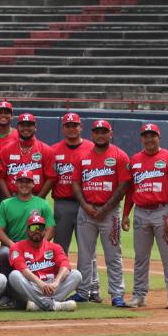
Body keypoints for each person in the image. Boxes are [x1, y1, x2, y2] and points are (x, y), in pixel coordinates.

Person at [122, 123, 168, 309]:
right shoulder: (135, 160)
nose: (149, 139)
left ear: (159, 137)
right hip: (141, 212)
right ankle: (139, 295)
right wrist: (126, 214)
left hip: (162, 212)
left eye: (152, 136)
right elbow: (131, 190)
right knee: (140, 257)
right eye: (146, 136)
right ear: (142, 138)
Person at [70, 120, 131, 307]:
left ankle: (117, 294)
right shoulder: (82, 156)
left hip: (110, 212)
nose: (100, 135)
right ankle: (83, 291)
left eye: (104, 131)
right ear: (92, 134)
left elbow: (123, 186)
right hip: (86, 210)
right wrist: (85, 205)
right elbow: (75, 183)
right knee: (84, 255)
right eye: (97, 131)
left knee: (113, 255)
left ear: (110, 133)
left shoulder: (119, 156)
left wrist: (104, 209)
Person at [51, 113, 101, 302]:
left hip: (85, 204)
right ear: (63, 128)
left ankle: (92, 289)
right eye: (68, 125)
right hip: (62, 203)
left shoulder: (91, 148)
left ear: (81, 127)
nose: (71, 128)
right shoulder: (54, 150)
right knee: (60, 248)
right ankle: (59, 286)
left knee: (87, 249)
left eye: (75, 125)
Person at [8, 215, 81, 312]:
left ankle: (38, 305)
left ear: (45, 231)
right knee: (14, 275)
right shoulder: (17, 246)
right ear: (27, 230)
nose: (37, 230)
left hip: (52, 288)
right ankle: (54, 305)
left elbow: (65, 265)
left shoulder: (55, 247)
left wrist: (56, 282)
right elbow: (21, 267)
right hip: (32, 287)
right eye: (33, 227)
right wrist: (41, 284)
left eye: (40, 228)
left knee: (76, 275)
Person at [0, 170, 55, 277]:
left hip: (36, 243)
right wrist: (12, 245)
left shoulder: (42, 203)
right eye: (21, 181)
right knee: (3, 253)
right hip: (13, 243)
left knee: (51, 254)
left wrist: (42, 244)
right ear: (15, 183)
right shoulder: (6, 204)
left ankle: (46, 286)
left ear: (33, 184)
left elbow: (50, 228)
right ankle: (5, 289)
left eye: (27, 182)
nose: (24, 185)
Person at [0, 113, 56, 198]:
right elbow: (0, 177)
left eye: (29, 125)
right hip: (13, 195)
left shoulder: (46, 150)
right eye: (22, 125)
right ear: (17, 128)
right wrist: (9, 200)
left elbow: (51, 178)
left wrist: (38, 200)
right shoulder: (6, 150)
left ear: (35, 128)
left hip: (36, 195)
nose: (26, 128)